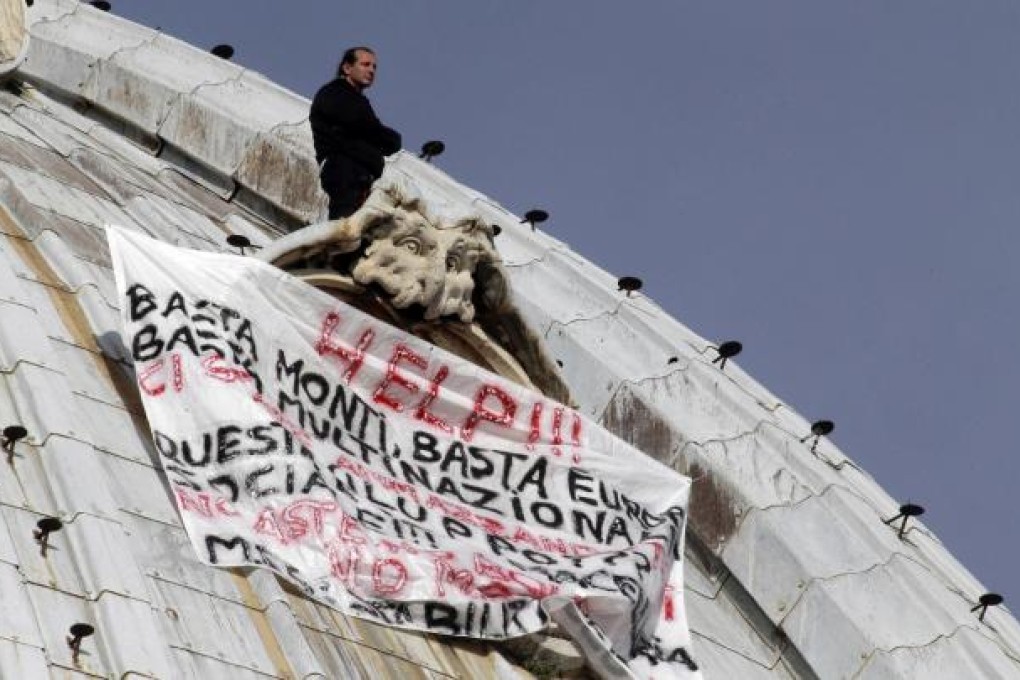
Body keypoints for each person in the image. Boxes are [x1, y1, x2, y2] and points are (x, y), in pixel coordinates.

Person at [310, 47, 402, 219]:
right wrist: (389, 138)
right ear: (347, 68)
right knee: (345, 225)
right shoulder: (335, 93)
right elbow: (363, 124)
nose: (371, 70)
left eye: (374, 67)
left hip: (362, 175)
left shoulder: (357, 99)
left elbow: (371, 130)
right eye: (366, 64)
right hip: (344, 169)